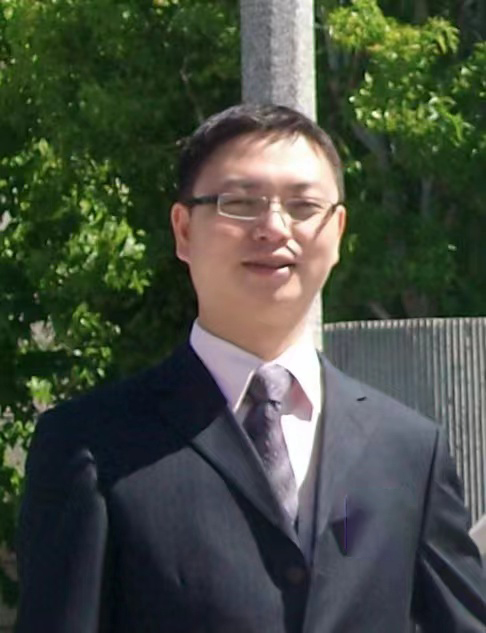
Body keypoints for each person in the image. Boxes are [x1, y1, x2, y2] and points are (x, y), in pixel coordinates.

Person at [15, 104, 486, 633]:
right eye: (240, 203)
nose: (274, 227)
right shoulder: (90, 445)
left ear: (337, 232)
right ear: (183, 230)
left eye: (303, 205)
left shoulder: (408, 451)